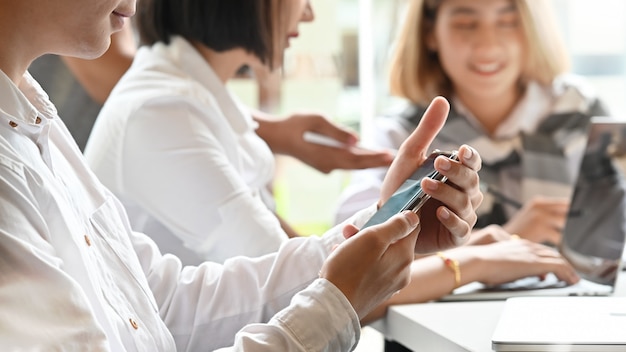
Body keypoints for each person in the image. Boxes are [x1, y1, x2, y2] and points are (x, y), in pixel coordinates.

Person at [0, 0, 484, 350]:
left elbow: (162, 304)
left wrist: (380, 229)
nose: (310, 13)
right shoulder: (155, 109)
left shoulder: (36, 121)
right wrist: (336, 303)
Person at [84, 0, 395, 264]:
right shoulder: (161, 114)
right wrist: (440, 261)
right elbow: (302, 283)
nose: (308, 13)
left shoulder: (193, 97)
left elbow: (296, 263)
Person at [335, 0, 614, 247]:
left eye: (508, 22)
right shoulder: (403, 135)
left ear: (531, 29)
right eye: (466, 24)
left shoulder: (580, 111)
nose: (488, 44)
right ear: (430, 33)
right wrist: (507, 238)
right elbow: (350, 245)